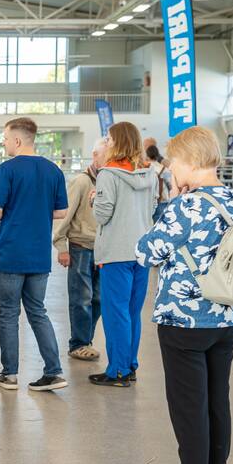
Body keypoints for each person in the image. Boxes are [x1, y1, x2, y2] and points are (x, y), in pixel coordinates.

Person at [135, 126, 233, 464]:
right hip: (227, 316)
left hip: (185, 320)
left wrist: (169, 208)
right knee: (217, 403)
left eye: (172, 164)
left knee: (189, 409)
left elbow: (147, 251)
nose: (169, 172)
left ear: (189, 161)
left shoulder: (186, 206)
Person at [0, 117, 68, 391]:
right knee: (37, 311)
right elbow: (60, 212)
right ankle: (53, 371)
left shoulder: (7, 170)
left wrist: (10, 211)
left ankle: (9, 375)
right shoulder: (53, 170)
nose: (4, 142)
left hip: (11, 252)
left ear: (17, 140)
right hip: (38, 256)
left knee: (9, 313)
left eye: (6, 138)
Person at [89, 122, 155, 387]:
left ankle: (117, 371)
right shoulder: (149, 175)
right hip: (141, 251)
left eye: (108, 138)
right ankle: (130, 365)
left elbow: (103, 215)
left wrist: (95, 199)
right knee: (132, 312)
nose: (107, 142)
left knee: (115, 313)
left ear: (117, 142)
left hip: (116, 251)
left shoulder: (109, 174)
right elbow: (152, 208)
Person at [54, 139, 106, 362]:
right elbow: (64, 215)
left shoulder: (108, 182)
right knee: (81, 298)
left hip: (102, 249)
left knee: (99, 299)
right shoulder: (82, 182)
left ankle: (86, 339)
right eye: (107, 156)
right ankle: (78, 343)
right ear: (95, 155)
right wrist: (61, 246)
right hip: (81, 248)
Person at [145, 139, 172, 222]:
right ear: (157, 155)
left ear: (147, 156)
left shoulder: (145, 169)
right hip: (163, 200)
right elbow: (170, 185)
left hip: (148, 202)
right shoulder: (163, 169)